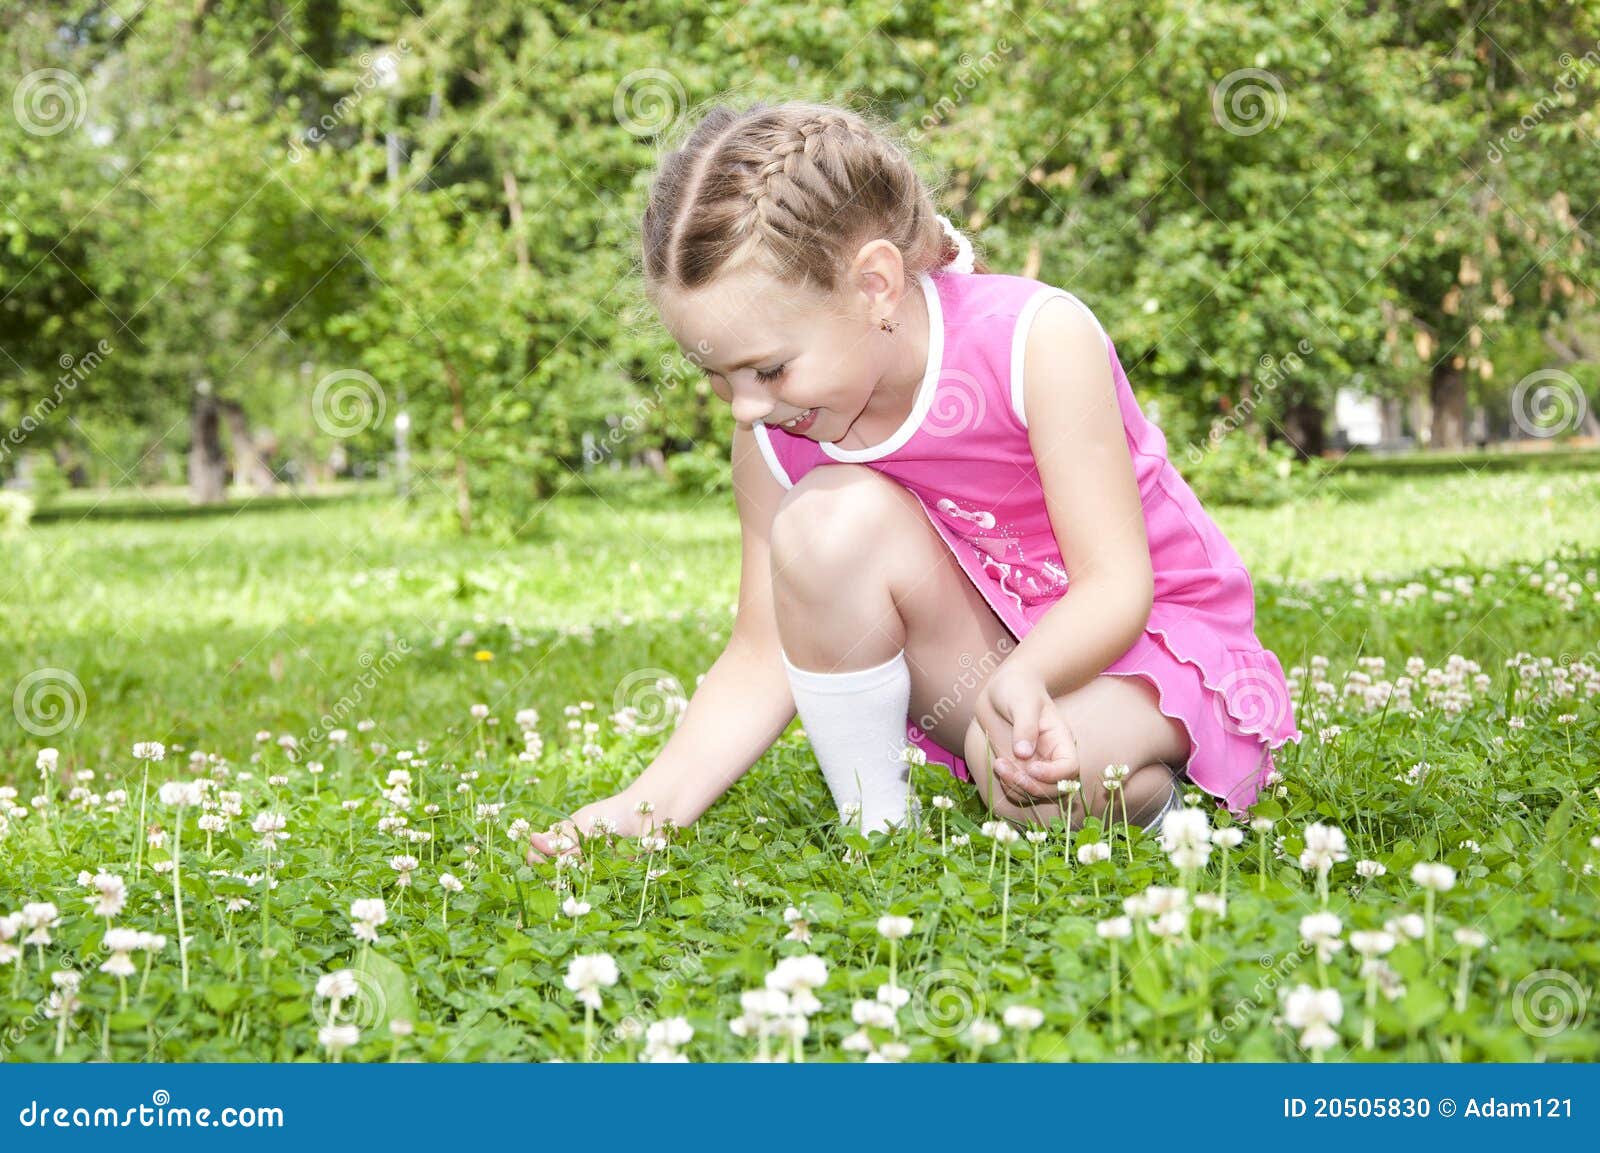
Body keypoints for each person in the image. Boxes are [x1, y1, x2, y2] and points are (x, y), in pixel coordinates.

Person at [529, 99, 1300, 864]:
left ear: (873, 286)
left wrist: (1030, 675)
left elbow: (1116, 586)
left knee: (1037, 778)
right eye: (714, 375)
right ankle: (879, 836)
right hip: (990, 672)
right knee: (831, 535)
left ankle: (1158, 792)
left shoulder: (1033, 341)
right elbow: (762, 650)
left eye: (767, 367)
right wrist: (644, 807)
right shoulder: (771, 430)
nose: (747, 405)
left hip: (1152, 641)